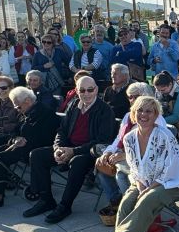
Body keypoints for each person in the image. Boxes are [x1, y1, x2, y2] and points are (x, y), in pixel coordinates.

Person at [93, 96, 179, 232]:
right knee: (126, 204)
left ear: (156, 115)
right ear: (133, 114)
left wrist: (149, 188)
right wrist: (140, 185)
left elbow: (172, 167)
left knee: (146, 200)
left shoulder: (164, 135)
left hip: (170, 182)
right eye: (140, 110)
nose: (143, 114)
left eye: (149, 111)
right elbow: (134, 167)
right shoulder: (129, 138)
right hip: (141, 181)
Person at [23, 76, 117, 223]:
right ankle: (46, 200)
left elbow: (102, 141)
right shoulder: (74, 105)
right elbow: (62, 130)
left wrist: (73, 151)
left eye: (90, 90)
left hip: (90, 152)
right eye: (82, 90)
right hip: (69, 147)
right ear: (77, 91)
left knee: (77, 162)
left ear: (96, 89)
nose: (86, 93)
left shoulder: (105, 110)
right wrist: (58, 148)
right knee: (36, 155)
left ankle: (65, 206)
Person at [0, 87, 60, 208]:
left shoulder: (46, 113)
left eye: (18, 106)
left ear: (27, 101)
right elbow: (14, 131)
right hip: (20, 146)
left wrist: (24, 139)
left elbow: (46, 138)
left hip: (34, 150)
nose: (16, 109)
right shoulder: (25, 112)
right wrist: (16, 138)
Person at [95, 83, 164, 210]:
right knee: (102, 165)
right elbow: (119, 139)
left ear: (145, 96)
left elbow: (155, 149)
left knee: (121, 172)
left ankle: (133, 206)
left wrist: (126, 155)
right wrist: (108, 152)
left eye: (135, 96)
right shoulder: (129, 116)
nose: (132, 100)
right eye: (129, 97)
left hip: (147, 160)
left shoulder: (156, 118)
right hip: (127, 154)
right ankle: (117, 200)